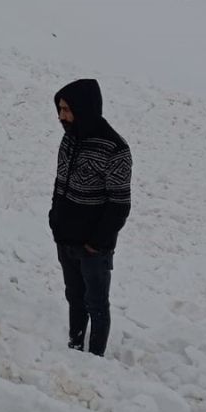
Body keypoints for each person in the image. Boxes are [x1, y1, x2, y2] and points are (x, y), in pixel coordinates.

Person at [48, 79, 132, 357]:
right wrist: (55, 219)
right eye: (60, 110)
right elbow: (60, 183)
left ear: (85, 109)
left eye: (68, 110)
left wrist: (97, 242)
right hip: (66, 238)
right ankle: (74, 348)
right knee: (74, 298)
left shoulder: (115, 149)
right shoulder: (69, 138)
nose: (62, 117)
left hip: (93, 248)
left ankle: (95, 358)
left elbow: (119, 205)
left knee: (96, 304)